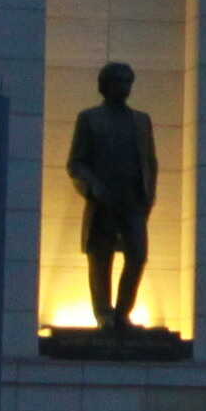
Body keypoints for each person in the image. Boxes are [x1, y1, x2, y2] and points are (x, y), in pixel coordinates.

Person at [67, 61, 159, 332]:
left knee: (138, 256)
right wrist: (93, 186)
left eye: (128, 81)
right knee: (101, 258)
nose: (124, 87)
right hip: (103, 200)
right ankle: (104, 314)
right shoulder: (90, 119)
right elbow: (76, 162)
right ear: (104, 85)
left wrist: (149, 194)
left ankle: (122, 314)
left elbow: (149, 161)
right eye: (118, 81)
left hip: (133, 199)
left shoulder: (141, 120)